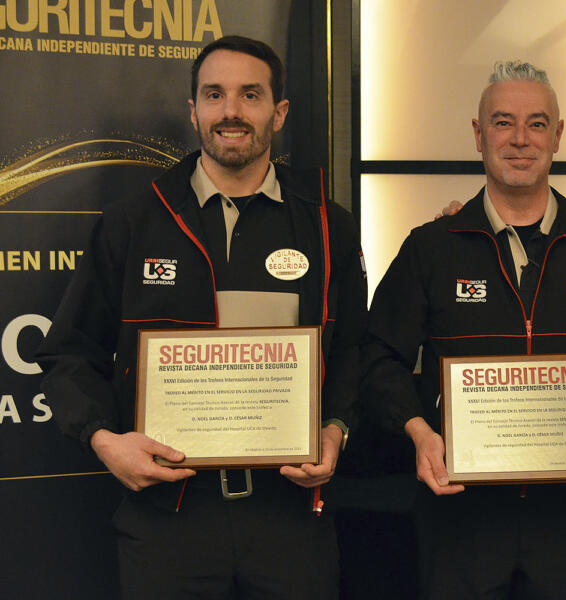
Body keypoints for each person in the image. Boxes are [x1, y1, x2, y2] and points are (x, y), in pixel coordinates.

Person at [36, 35, 366, 599]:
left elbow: (356, 351)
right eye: (214, 95)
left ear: (279, 112)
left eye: (250, 95)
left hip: (289, 517)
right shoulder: (135, 221)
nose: (231, 111)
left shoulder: (327, 225)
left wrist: (335, 430)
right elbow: (69, 351)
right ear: (194, 110)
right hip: (166, 518)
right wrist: (103, 440)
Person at [362, 60, 566, 599]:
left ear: (558, 136)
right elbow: (380, 355)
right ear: (478, 135)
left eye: (537, 123)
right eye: (502, 122)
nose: (520, 139)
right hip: (460, 514)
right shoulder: (431, 246)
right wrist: (418, 432)